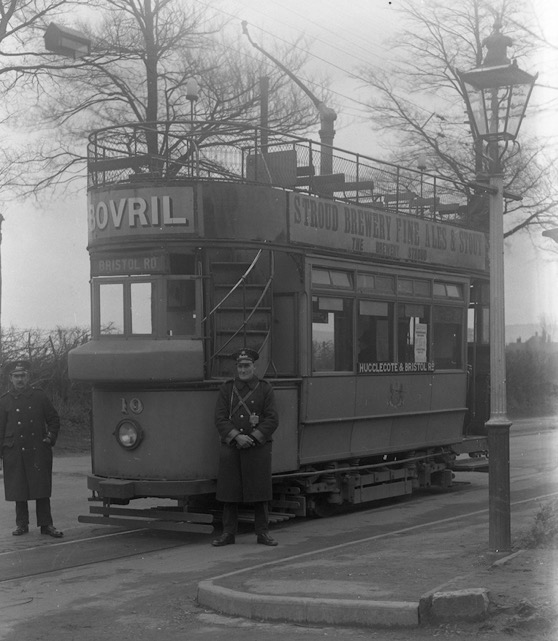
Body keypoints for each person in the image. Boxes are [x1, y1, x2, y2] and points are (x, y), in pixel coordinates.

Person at [212, 348, 279, 547]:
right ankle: (228, 534)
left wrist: (253, 438)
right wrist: (237, 437)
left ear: (254, 366)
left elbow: (272, 419)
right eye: (240, 366)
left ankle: (263, 533)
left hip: (257, 447)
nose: (243, 369)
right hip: (232, 446)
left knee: (260, 493)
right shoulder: (227, 389)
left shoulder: (265, 388)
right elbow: (220, 418)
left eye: (246, 365)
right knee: (229, 493)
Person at [0, 360, 63, 538]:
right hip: (14, 451)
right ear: (10, 378)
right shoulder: (4, 401)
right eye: (16, 376)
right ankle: (22, 524)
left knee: (41, 489)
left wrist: (50, 438)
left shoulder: (39, 396)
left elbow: (54, 420)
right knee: (18, 489)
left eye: (23, 375)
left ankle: (46, 525)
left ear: (28, 377)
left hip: (38, 450)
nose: (20, 379)